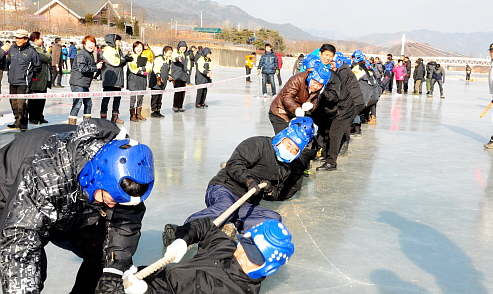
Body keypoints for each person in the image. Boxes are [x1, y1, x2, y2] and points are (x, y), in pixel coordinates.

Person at [0, 119, 155, 294]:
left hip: (75, 200)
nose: (113, 206)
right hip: (9, 194)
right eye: (107, 198)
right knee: (31, 269)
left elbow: (125, 224)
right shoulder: (47, 172)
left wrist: (113, 269)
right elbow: (20, 246)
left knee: (104, 257)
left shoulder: (127, 175)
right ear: (93, 177)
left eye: (118, 202)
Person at [176, 120, 313, 234]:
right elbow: (234, 164)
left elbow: (278, 193)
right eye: (288, 144)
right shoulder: (258, 144)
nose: (289, 151)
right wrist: (249, 181)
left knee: (273, 218)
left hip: (246, 202)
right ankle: (184, 231)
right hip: (225, 188)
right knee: (225, 207)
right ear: (282, 137)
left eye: (294, 150)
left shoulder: (285, 169)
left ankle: (231, 225)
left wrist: (270, 191)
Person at [124, 218, 294, 294]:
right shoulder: (227, 249)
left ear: (267, 269)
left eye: (254, 257)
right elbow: (205, 226)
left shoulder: (230, 291)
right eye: (245, 245)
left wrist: (146, 292)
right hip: (142, 276)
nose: (242, 255)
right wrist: (183, 240)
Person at [2, 29, 41, 130]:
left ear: (26, 39)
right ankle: (17, 120)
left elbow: (38, 66)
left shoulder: (31, 51)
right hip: (12, 80)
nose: (17, 40)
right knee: (13, 102)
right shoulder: (13, 49)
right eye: (16, 38)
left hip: (24, 82)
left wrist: (30, 76)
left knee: (21, 103)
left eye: (19, 38)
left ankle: (23, 122)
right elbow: (8, 61)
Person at [68, 35, 102, 124]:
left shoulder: (89, 55)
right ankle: (71, 125)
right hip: (78, 83)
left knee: (88, 103)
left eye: (93, 44)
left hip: (84, 83)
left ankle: (87, 124)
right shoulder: (82, 54)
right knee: (77, 104)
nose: (91, 46)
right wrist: (96, 67)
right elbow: (82, 68)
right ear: (84, 44)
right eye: (89, 43)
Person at [100, 34, 131, 123]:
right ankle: (103, 118)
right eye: (117, 41)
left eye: (119, 41)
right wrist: (124, 60)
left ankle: (115, 117)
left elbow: (120, 62)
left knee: (117, 98)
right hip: (110, 78)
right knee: (106, 98)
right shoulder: (108, 50)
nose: (119, 43)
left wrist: (126, 60)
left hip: (118, 77)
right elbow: (115, 62)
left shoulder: (118, 50)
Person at [28, 31, 51, 125]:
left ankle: (40, 116)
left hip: (44, 78)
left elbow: (49, 57)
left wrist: (46, 56)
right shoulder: (31, 48)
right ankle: (33, 117)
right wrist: (46, 56)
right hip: (36, 77)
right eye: (41, 38)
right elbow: (45, 57)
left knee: (42, 98)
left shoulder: (41, 48)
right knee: (34, 100)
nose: (43, 40)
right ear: (35, 39)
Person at [127, 41, 153, 122]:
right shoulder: (131, 57)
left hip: (142, 79)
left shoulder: (145, 56)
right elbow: (132, 68)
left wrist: (144, 70)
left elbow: (149, 66)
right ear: (134, 48)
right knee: (133, 98)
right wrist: (141, 70)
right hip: (133, 79)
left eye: (140, 47)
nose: (139, 49)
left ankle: (139, 114)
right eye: (137, 47)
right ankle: (132, 115)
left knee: (141, 97)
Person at [149, 45, 173, 118]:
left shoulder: (168, 60)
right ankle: (153, 111)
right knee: (155, 97)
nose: (170, 54)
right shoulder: (159, 59)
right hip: (156, 81)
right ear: (164, 52)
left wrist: (169, 76)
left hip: (163, 82)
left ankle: (158, 110)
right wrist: (158, 77)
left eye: (171, 53)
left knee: (160, 97)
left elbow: (169, 70)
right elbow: (156, 68)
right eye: (169, 53)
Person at [171, 41, 189, 112]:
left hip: (183, 75)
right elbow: (174, 58)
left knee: (183, 91)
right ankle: (175, 106)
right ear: (179, 47)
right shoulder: (176, 53)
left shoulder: (186, 55)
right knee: (177, 90)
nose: (183, 48)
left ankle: (180, 106)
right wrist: (178, 59)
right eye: (182, 47)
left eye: (184, 47)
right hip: (176, 75)